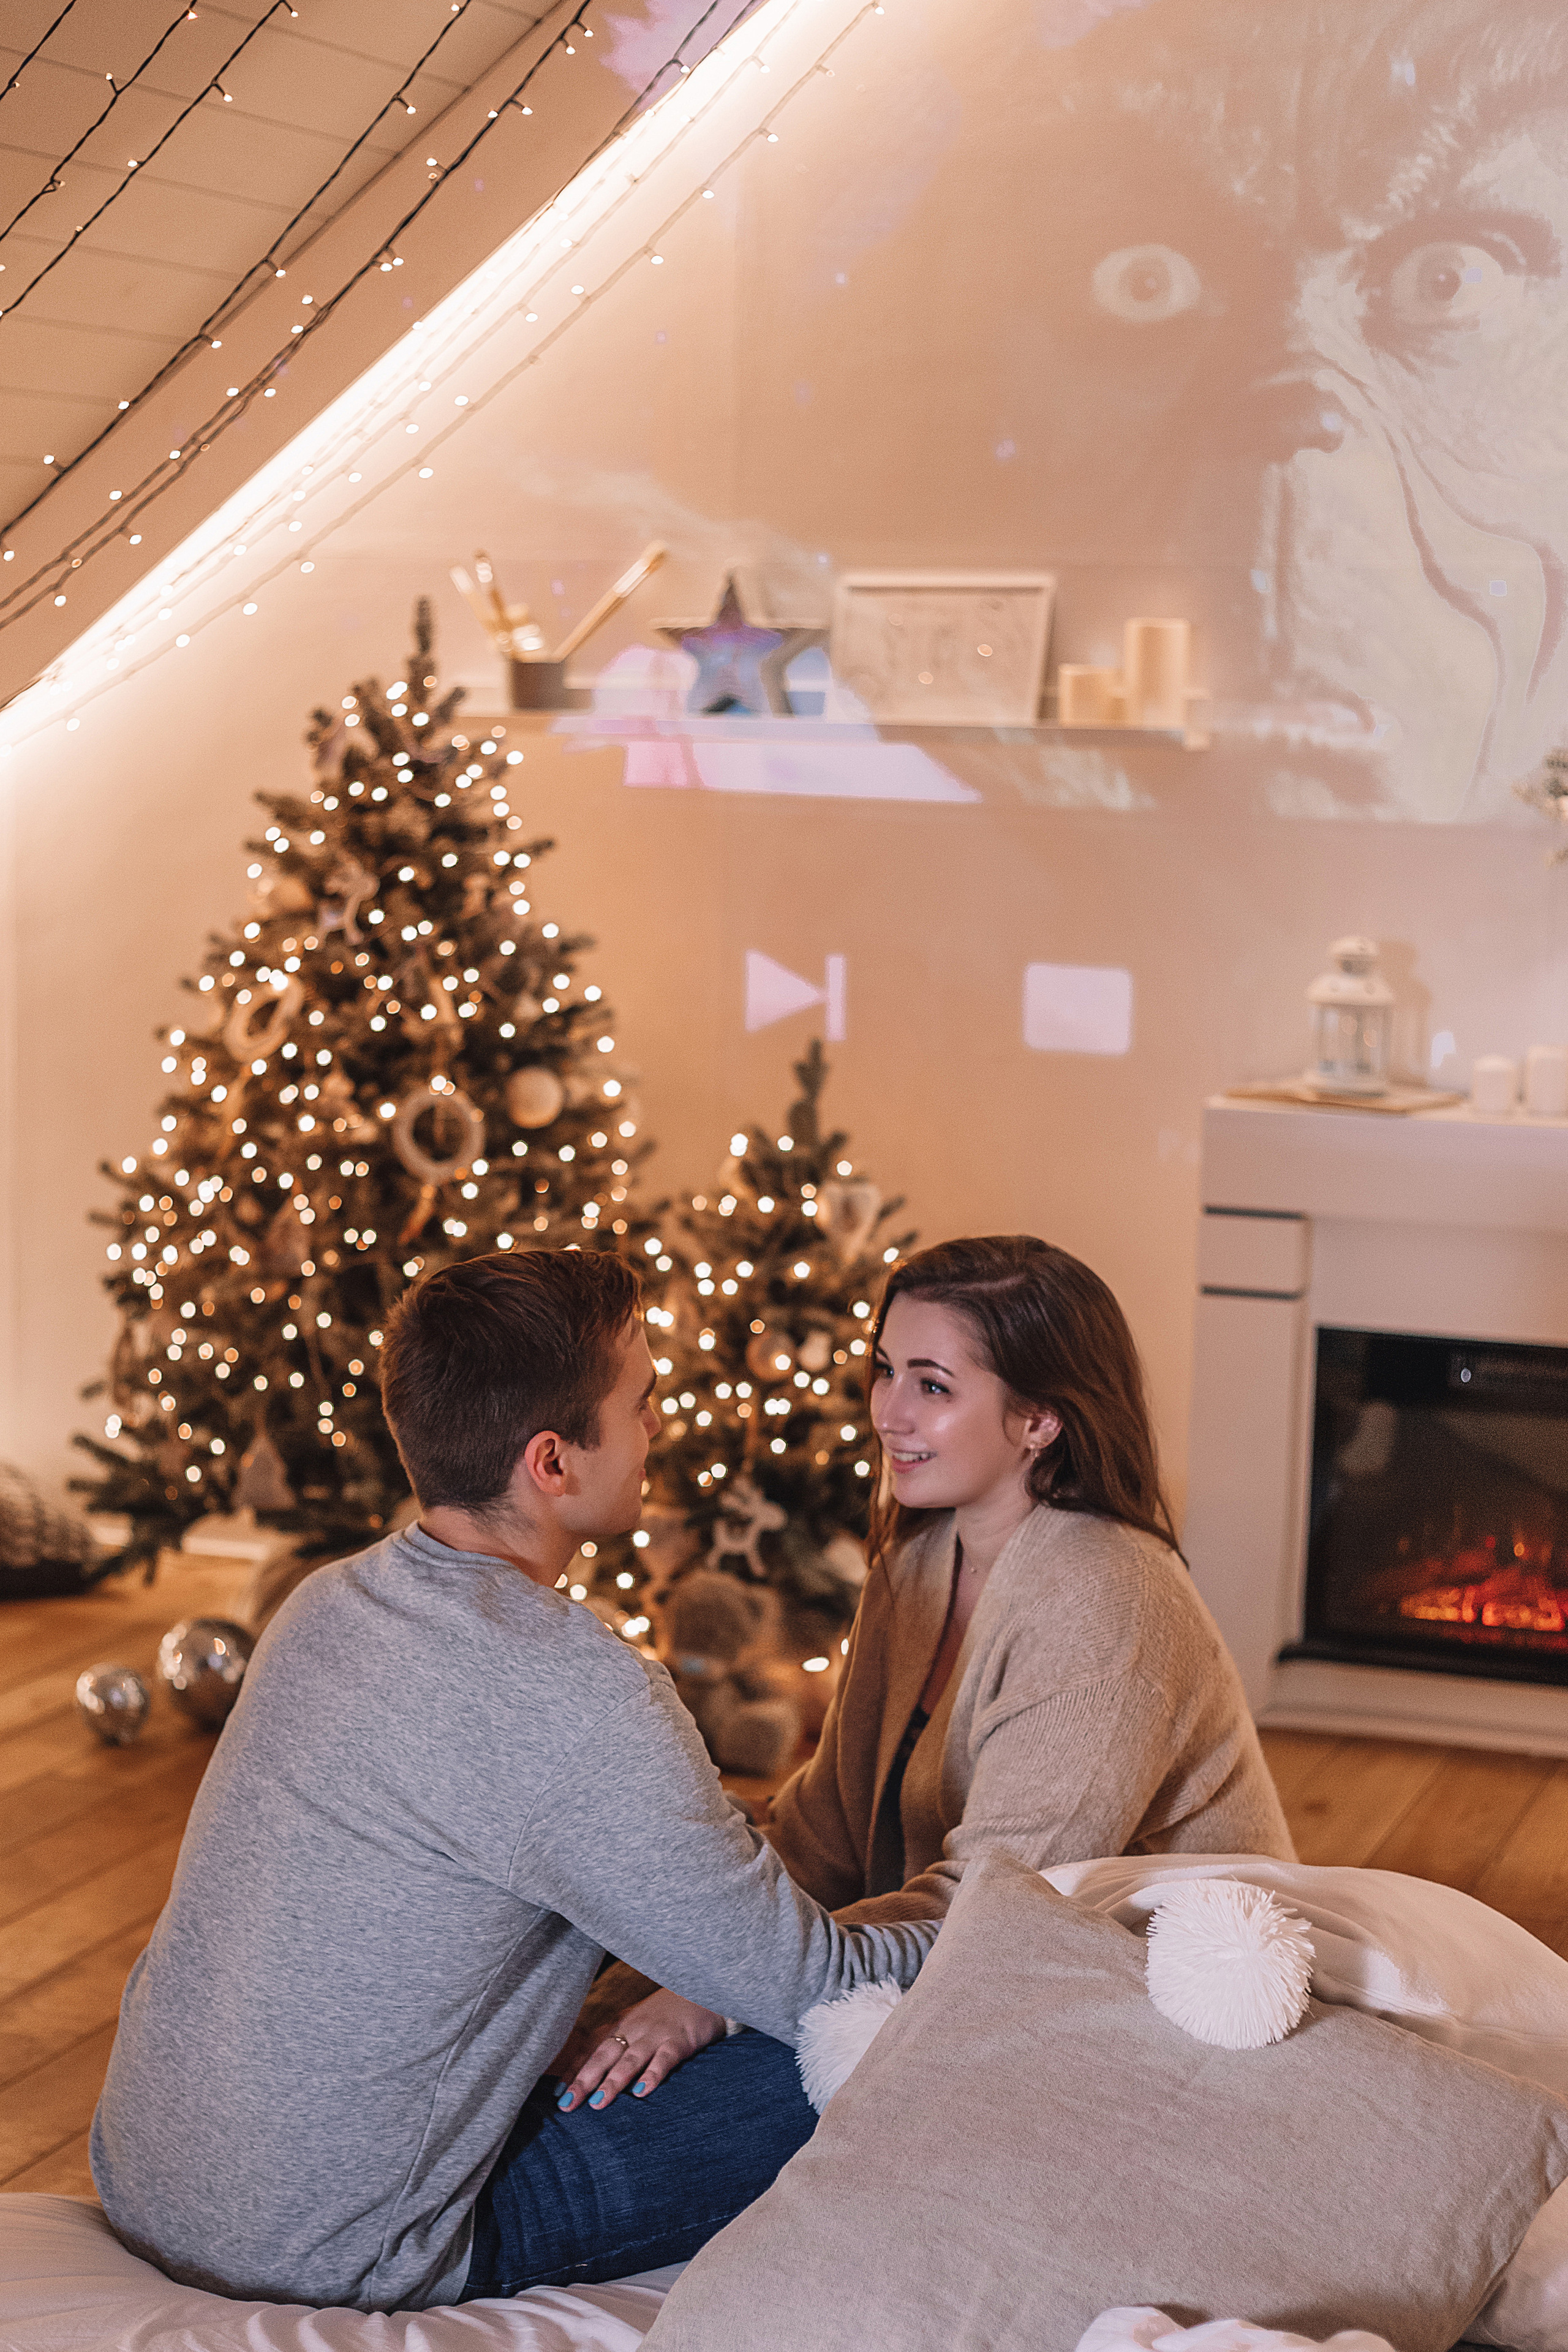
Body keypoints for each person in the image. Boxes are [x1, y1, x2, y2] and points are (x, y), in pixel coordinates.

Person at [91, 1250, 939, 2314]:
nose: (659, 1430)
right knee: (886, 2048)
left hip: (147, 2173)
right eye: (643, 1404)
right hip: (329, 2249)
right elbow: (816, 1988)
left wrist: (690, 1978)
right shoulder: (578, 1695)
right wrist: (982, 1913)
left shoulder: (325, 1604)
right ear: (552, 1460)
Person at [767, 1234, 1294, 1927]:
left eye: (931, 1385)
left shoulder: (1108, 1605)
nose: (888, 1414)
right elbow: (822, 1834)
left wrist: (720, 2004)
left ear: (1040, 1419)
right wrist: (673, 1971)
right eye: (885, 1370)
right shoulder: (917, 1561)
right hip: (945, 1957)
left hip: (1161, 1995)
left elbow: (990, 1908)